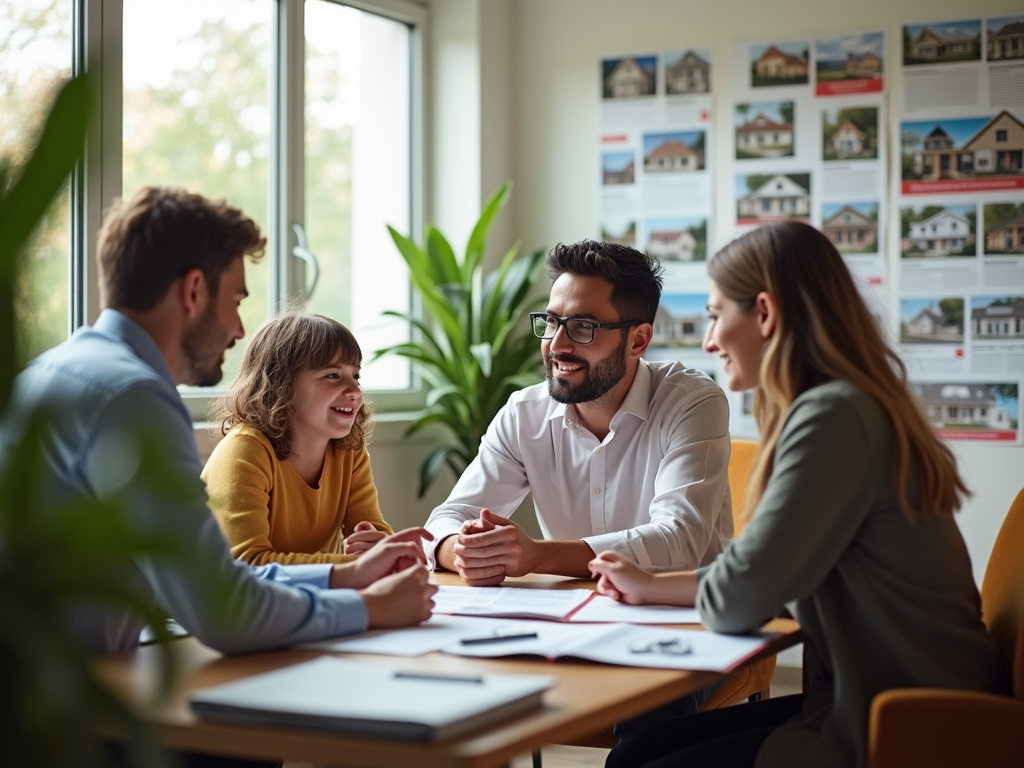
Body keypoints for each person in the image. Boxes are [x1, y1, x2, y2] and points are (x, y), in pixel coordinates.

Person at [590, 221, 1005, 768]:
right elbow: (767, 574)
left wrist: (674, 588)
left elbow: (746, 594)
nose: (709, 340)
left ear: (764, 313)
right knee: (638, 752)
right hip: (874, 699)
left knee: (634, 763)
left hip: (907, 719)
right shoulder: (848, 405)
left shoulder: (833, 416)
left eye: (716, 316)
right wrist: (650, 585)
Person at [2, 186, 437, 657]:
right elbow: (222, 608)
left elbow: (213, 577)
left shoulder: (50, 373)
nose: (239, 329)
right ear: (193, 291)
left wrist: (345, 574)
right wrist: (370, 609)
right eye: (235, 300)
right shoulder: (134, 397)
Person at [424, 239, 732, 588]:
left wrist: (537, 556)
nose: (556, 345)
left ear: (638, 341)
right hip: (570, 620)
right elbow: (448, 518)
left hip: (684, 621)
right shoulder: (525, 414)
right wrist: (464, 551)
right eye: (552, 322)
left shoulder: (690, 402)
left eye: (583, 327)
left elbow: (679, 541)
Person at [203, 312, 416, 565]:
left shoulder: (349, 451)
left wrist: (380, 547)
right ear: (281, 383)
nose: (355, 391)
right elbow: (248, 563)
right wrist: (360, 566)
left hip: (304, 600)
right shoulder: (244, 451)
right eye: (333, 375)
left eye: (355, 376)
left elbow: (372, 534)